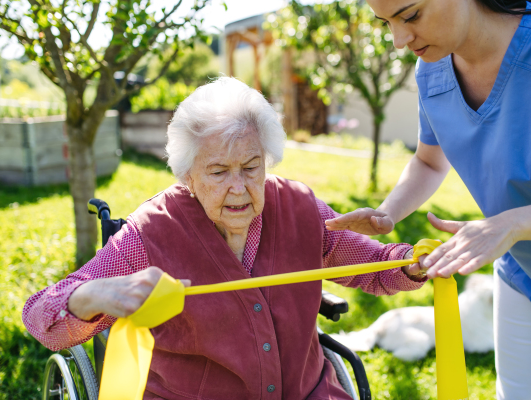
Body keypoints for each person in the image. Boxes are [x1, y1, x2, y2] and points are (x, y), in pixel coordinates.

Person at [23, 77, 431, 400]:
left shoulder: (301, 209)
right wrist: (93, 296)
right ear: (188, 175)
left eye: (251, 167)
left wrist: (414, 262)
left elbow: (380, 272)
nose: (238, 188)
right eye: (218, 172)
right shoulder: (149, 235)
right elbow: (42, 320)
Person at [325, 0, 531, 398]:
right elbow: (428, 162)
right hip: (523, 267)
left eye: (410, 16)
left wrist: (510, 224)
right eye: (386, 22)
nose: (398, 40)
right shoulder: (432, 69)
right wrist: (386, 213)